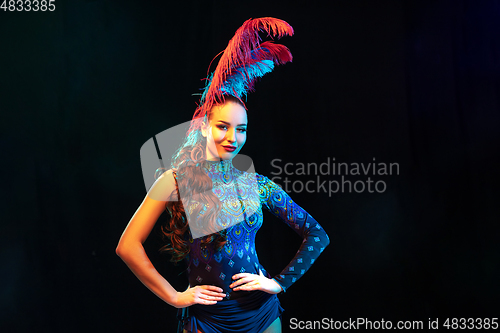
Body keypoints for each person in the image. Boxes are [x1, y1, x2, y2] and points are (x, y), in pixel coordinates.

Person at [116, 18, 330, 333]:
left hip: (262, 316)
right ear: (204, 127)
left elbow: (317, 234)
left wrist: (277, 284)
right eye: (222, 126)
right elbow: (128, 245)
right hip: (209, 320)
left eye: (240, 129)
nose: (233, 137)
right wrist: (175, 297)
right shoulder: (174, 181)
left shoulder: (257, 185)